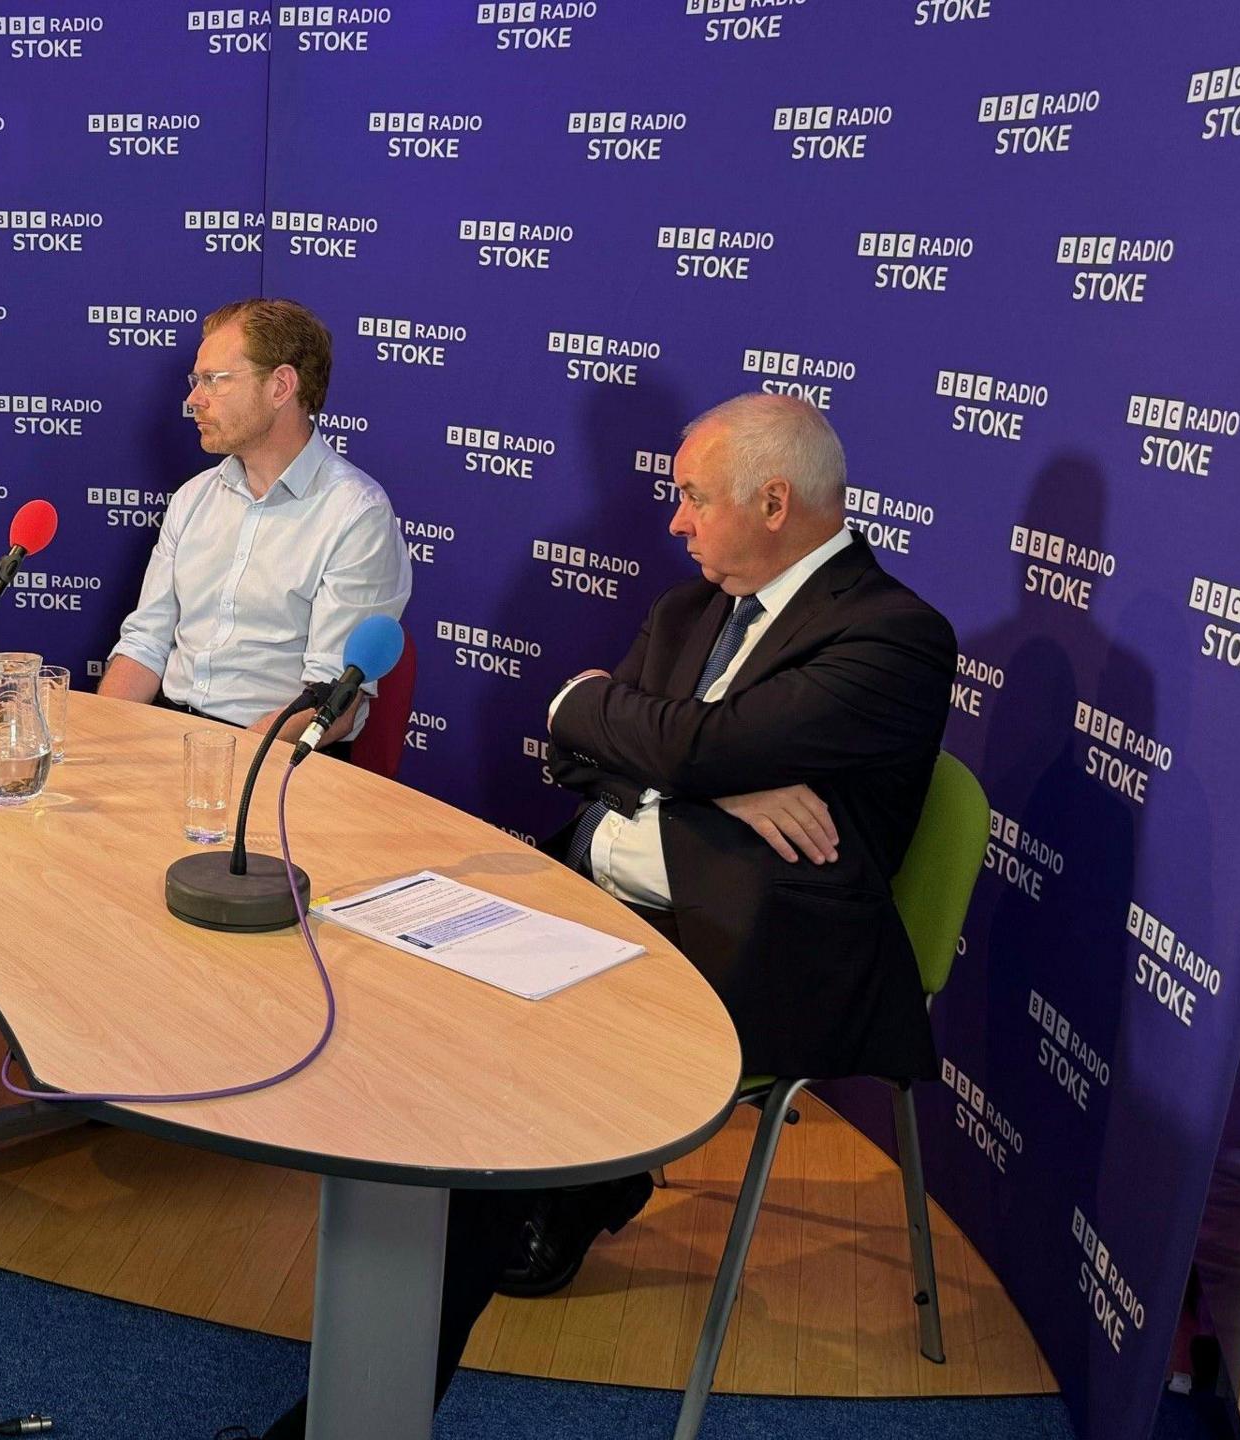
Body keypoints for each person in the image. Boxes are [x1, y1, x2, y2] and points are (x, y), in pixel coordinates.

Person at [257, 392, 955, 1438]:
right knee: (391, 989)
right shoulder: (688, 611)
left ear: (774, 501)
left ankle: (358, 1412)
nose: (674, 522)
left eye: (691, 499)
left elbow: (654, 741)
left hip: (747, 949)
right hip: (591, 903)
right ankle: (570, 1187)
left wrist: (668, 749)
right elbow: (571, 747)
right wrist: (712, 774)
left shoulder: (893, 634)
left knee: (488, 1120)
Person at [99, 298, 410, 755]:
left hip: (275, 756)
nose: (193, 399)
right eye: (196, 379)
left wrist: (218, 766)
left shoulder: (356, 515)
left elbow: (332, 702)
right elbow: (145, 644)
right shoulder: (194, 497)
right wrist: (103, 741)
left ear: (281, 386)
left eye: (214, 380)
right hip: (164, 736)